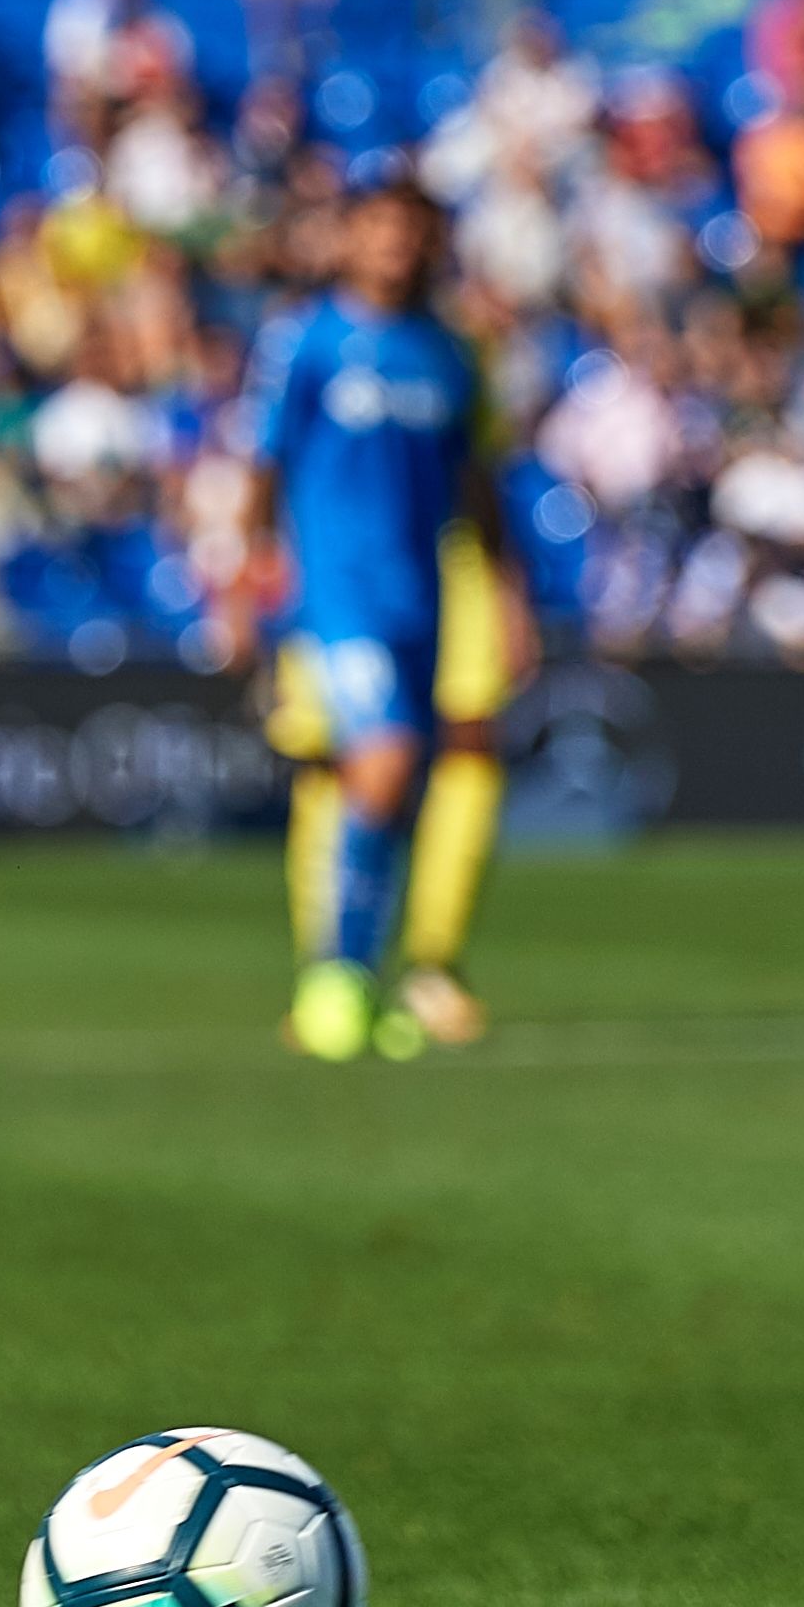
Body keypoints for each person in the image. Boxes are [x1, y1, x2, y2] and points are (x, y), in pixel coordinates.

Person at [238, 176, 529, 1062]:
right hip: (338, 590)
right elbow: (263, 463)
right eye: (378, 229)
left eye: (410, 231)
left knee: (408, 781)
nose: (394, 246)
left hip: (423, 592)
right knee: (381, 759)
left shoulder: (448, 352)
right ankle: (333, 975)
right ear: (348, 240)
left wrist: (507, 590)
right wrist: (251, 571)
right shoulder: (308, 340)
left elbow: (476, 480)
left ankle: (371, 978)